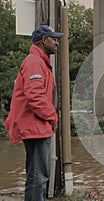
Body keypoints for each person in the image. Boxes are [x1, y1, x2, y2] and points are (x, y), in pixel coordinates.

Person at [4, 25, 63, 201]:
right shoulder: (34, 62)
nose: (57, 43)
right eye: (54, 39)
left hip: (37, 126)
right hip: (35, 127)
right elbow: (34, 96)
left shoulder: (40, 62)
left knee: (37, 175)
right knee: (38, 176)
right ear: (44, 40)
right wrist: (53, 117)